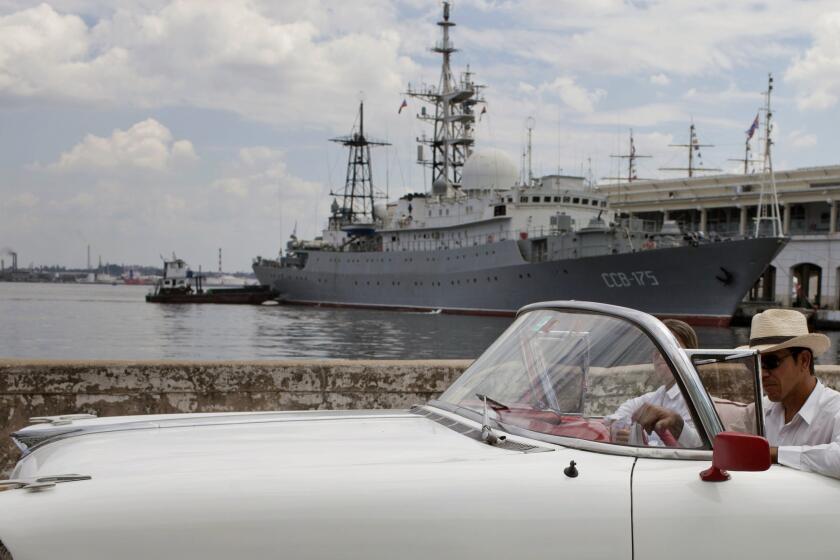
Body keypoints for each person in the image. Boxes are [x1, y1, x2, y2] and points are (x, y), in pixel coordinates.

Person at [739, 308, 840, 479]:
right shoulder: (758, 411)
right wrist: (679, 426)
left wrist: (775, 454)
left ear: (804, 360)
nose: (762, 373)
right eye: (755, 364)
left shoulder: (835, 410)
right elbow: (718, 446)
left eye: (771, 362)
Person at [609, 319, 702, 448]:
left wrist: (677, 424)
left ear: (688, 355)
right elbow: (615, 418)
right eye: (657, 347)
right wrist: (618, 432)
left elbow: (701, 445)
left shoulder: (697, 401)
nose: (661, 354)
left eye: (670, 347)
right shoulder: (653, 397)